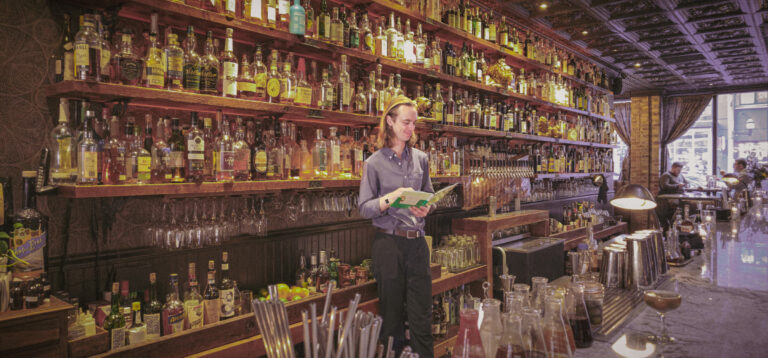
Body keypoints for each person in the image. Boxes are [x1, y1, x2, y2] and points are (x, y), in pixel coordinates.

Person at [358, 95, 434, 358]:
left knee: (422, 318)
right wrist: (391, 198)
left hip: (417, 243)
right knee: (391, 320)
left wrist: (426, 206)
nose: (410, 128)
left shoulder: (421, 159)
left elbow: (430, 196)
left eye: (413, 123)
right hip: (387, 246)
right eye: (405, 122)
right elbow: (364, 207)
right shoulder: (373, 163)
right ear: (390, 122)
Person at [656, 162, 688, 231]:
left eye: (680, 170)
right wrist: (677, 186)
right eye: (678, 170)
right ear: (673, 168)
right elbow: (664, 186)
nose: (679, 172)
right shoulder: (666, 175)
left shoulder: (680, 175)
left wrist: (686, 184)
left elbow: (686, 182)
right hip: (669, 198)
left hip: (678, 196)